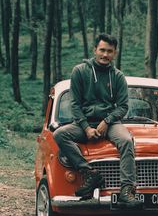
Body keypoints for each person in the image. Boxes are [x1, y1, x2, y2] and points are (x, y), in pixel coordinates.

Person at [53, 33, 141, 208]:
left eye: (110, 51)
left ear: (114, 53)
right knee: (60, 134)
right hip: (84, 123)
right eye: (102, 50)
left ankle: (126, 189)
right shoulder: (80, 71)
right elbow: (75, 104)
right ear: (95, 50)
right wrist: (86, 128)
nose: (105, 54)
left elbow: (123, 106)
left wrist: (107, 121)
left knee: (126, 140)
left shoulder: (117, 76)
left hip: (109, 124)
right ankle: (89, 172)